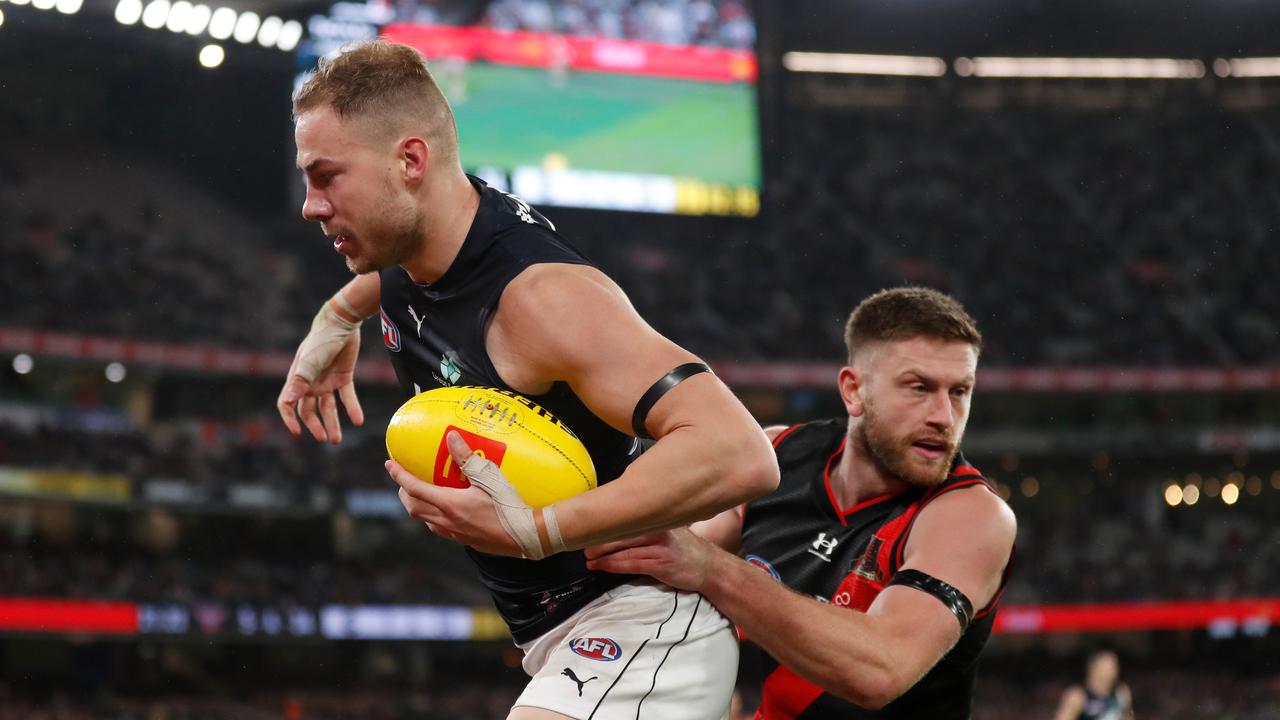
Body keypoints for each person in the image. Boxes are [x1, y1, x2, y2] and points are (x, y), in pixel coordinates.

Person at [276, 40, 778, 720]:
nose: (310, 205)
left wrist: (540, 528)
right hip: (565, 637)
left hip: (641, 621)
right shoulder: (418, 240)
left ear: (411, 161)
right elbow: (398, 277)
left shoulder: (542, 299)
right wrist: (335, 320)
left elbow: (740, 453)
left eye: (327, 176)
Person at [586, 287, 1017, 718]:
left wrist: (712, 569)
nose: (943, 416)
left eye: (960, 391)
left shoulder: (972, 515)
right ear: (854, 391)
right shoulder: (779, 455)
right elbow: (662, 560)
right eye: (919, 387)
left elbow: (881, 670)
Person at [1053, 650, 1134, 720]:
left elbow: (1127, 717)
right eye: (1109, 668)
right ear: (1095, 669)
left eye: (1115, 667)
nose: (1114, 672)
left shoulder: (1121, 692)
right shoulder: (1077, 696)